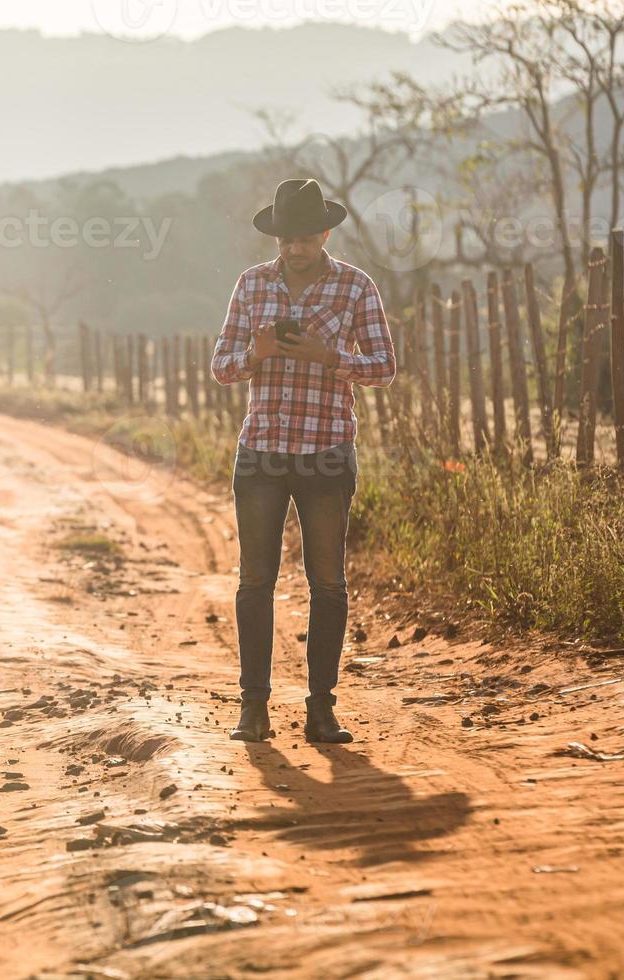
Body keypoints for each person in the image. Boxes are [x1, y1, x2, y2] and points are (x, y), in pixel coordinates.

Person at [210, 178, 397, 743]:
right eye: (287, 239)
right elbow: (221, 365)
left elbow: (385, 366)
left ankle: (322, 709)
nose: (295, 248)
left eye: (306, 238)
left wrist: (330, 357)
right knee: (255, 580)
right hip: (262, 449)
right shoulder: (250, 286)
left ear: (325, 233)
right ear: (277, 237)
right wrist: (255, 354)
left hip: (327, 452)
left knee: (328, 582)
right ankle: (253, 708)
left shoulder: (356, 287)